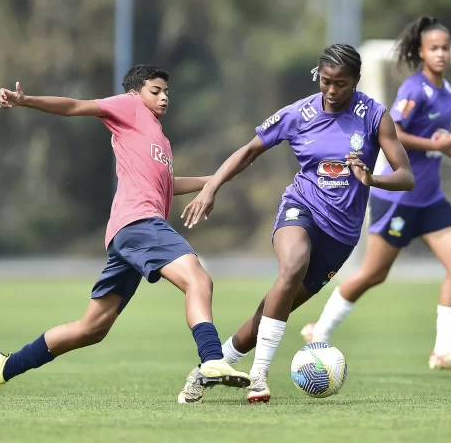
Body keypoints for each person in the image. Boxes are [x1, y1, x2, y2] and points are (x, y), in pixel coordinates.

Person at [0, 65, 250, 400]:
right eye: (156, 90)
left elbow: (166, 186)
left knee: (92, 328)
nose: (164, 98)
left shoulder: (158, 138)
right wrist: (26, 100)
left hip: (128, 233)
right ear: (136, 93)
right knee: (198, 280)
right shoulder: (129, 107)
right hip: (139, 223)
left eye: (166, 93)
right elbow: (75, 106)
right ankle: (213, 360)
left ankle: (2, 367)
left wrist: (213, 181)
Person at [176, 44, 415, 403]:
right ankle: (259, 376)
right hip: (300, 209)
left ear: (356, 82)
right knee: (292, 266)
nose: (331, 91)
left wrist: (372, 179)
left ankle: (208, 370)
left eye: (341, 84)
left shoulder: (374, 116)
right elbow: (249, 151)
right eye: (326, 81)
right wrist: (212, 187)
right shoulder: (298, 113)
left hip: (341, 235)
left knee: (271, 310)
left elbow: (406, 176)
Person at [300, 16, 451, 372]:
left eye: (446, 48)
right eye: (434, 48)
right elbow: (393, 132)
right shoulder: (414, 89)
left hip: (431, 198)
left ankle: (443, 351)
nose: (441, 54)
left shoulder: (448, 91)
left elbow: (437, 138)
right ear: (421, 52)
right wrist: (438, 146)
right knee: (373, 274)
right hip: (398, 197)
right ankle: (320, 329)